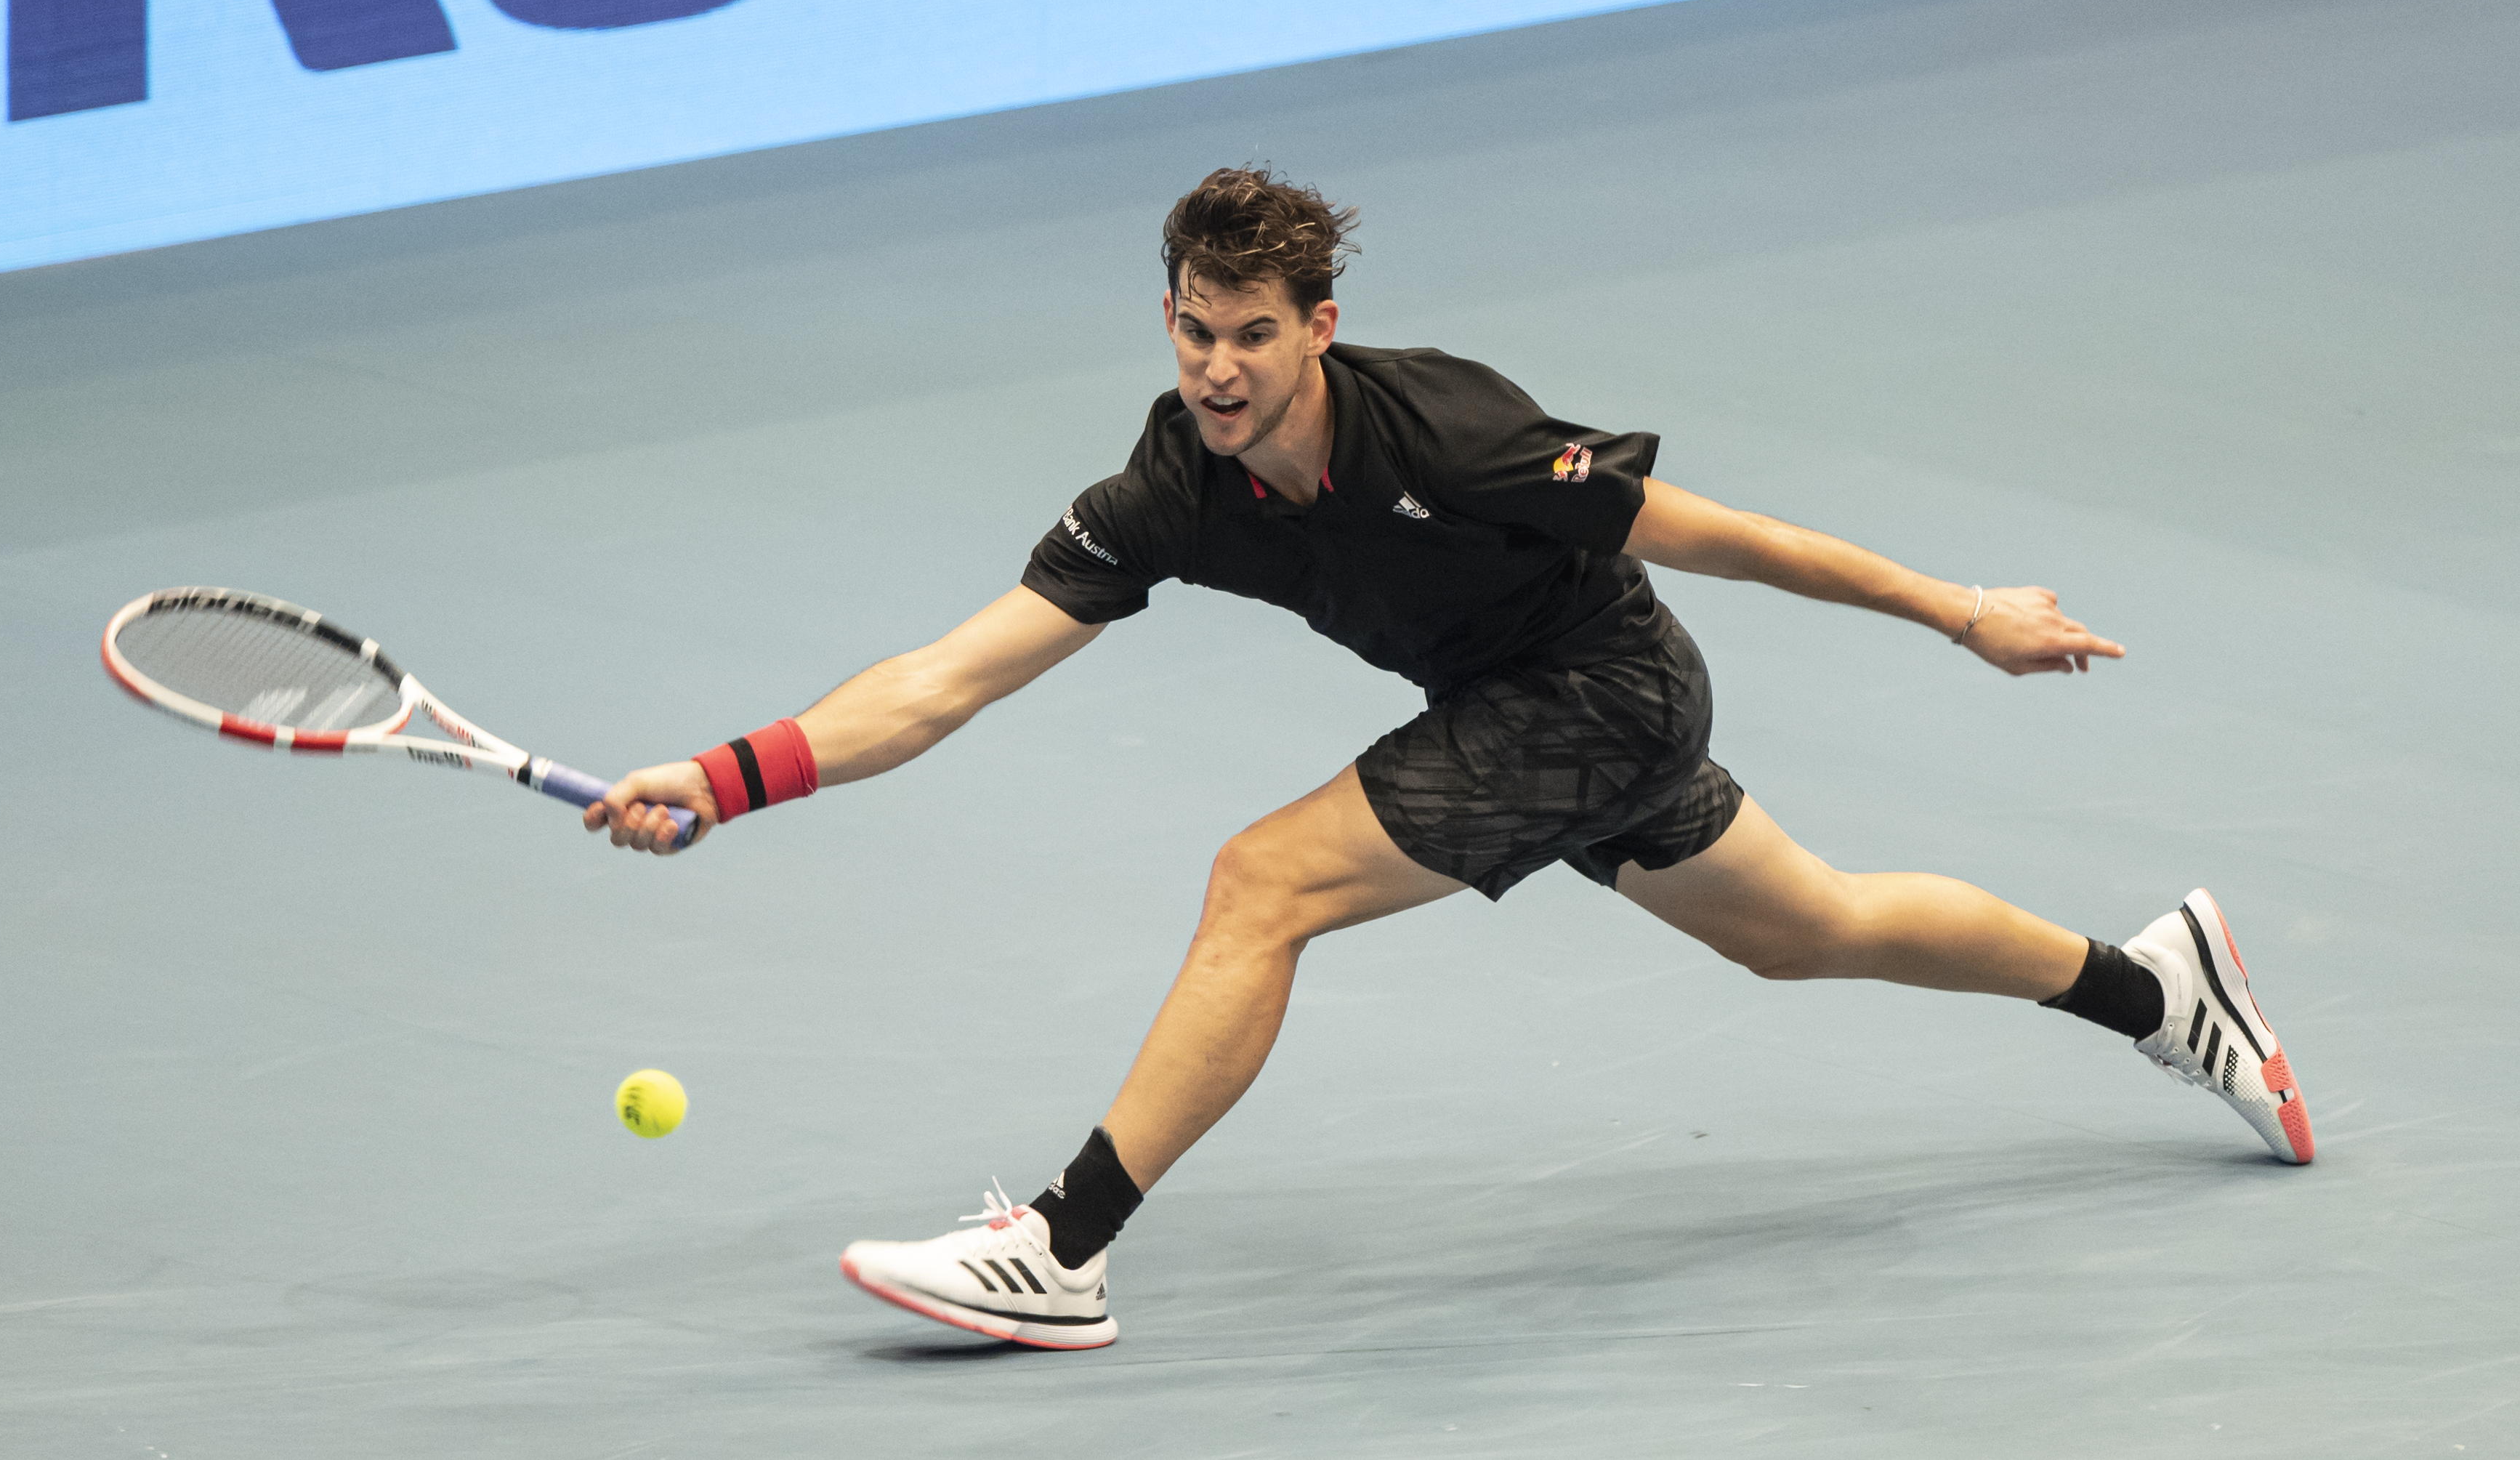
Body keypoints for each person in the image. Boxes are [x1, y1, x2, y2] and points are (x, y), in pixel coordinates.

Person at [584, 167, 2313, 1351]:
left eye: (1251, 333)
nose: (1216, 367)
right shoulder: (1169, 485)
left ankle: (1060, 1246)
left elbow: (1713, 531)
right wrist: (726, 776)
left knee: (1261, 880)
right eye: (1191, 328)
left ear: (1318, 326)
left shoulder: (1452, 432)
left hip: (1598, 687)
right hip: (1527, 721)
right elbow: (953, 674)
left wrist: (1957, 610)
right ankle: (2154, 989)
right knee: (1812, 927)